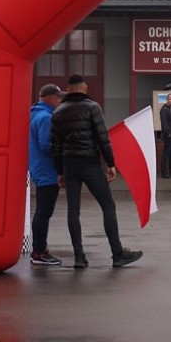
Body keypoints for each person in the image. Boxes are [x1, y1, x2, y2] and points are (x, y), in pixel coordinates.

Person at [50, 74, 142, 269]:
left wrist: (60, 171)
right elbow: (103, 138)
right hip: (90, 163)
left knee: (73, 210)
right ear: (85, 88)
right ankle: (117, 254)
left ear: (68, 89)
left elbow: (55, 146)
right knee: (107, 205)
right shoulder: (93, 107)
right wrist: (110, 164)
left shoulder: (58, 112)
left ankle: (79, 257)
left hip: (69, 165)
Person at [28, 84, 64, 266]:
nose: (60, 101)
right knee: (44, 212)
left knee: (42, 211)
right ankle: (39, 251)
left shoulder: (34, 114)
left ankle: (40, 249)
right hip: (47, 171)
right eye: (58, 98)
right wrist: (64, 154)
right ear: (50, 98)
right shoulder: (46, 117)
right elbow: (47, 145)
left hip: (39, 168)